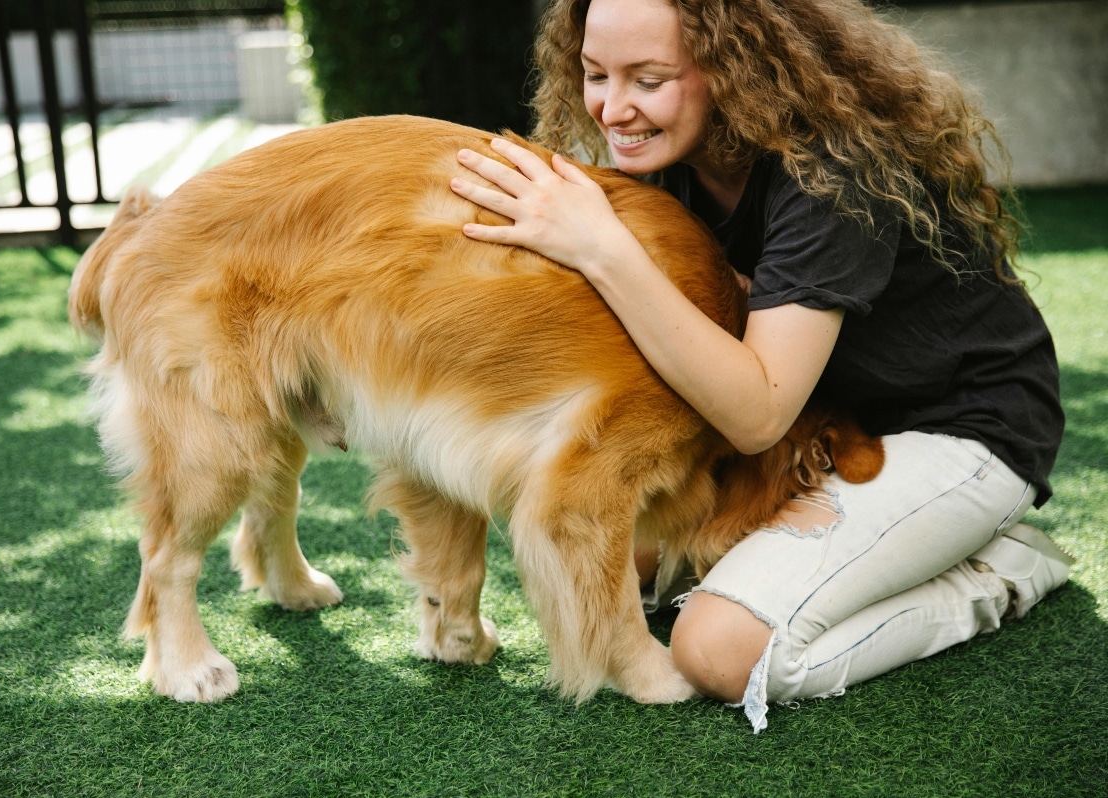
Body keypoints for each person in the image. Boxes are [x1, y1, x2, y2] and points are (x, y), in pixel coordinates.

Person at [448, 0, 1072, 732]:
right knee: (614, 555)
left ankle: (1002, 570)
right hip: (823, 427)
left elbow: (756, 414)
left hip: (960, 429)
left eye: (648, 80)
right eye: (594, 74)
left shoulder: (836, 171)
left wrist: (600, 247)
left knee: (721, 650)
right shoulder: (667, 161)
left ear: (733, 68)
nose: (613, 109)